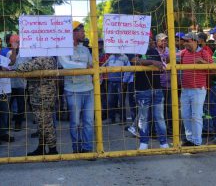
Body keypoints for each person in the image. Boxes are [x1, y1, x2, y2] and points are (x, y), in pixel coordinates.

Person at [58, 21, 94, 153]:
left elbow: (92, 64)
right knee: (75, 122)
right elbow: (66, 64)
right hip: (73, 91)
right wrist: (84, 66)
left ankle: (87, 148)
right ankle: (76, 148)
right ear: (72, 33)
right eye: (81, 31)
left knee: (89, 122)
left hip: (88, 89)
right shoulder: (63, 49)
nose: (84, 33)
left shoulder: (85, 49)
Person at [129, 41, 169, 150]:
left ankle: (163, 143)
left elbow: (160, 65)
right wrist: (152, 62)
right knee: (144, 118)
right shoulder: (133, 50)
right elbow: (134, 61)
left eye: (150, 39)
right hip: (142, 89)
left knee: (159, 117)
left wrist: (152, 63)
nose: (150, 41)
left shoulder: (153, 51)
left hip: (157, 88)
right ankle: (144, 142)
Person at [17, 56, 58, 155]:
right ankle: (41, 147)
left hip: (41, 97)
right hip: (46, 95)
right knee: (42, 123)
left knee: (46, 124)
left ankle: (53, 150)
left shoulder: (41, 58)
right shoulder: (51, 58)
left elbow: (21, 68)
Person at [180, 33, 213, 146]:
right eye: (184, 41)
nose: (185, 43)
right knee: (185, 115)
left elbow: (214, 68)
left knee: (196, 115)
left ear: (195, 41)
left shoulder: (203, 52)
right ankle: (190, 139)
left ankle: (197, 142)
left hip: (198, 90)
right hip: (185, 89)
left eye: (187, 41)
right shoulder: (183, 53)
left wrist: (203, 63)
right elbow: (172, 58)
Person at [7, 35, 30, 131]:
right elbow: (10, 64)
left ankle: (18, 123)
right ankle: (7, 123)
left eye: (17, 42)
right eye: (14, 42)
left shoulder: (26, 54)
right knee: (8, 105)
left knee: (21, 105)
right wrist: (14, 50)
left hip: (21, 83)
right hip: (10, 84)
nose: (16, 44)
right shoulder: (9, 53)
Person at [102, 53, 131, 124]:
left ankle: (122, 119)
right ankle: (111, 119)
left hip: (120, 82)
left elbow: (128, 70)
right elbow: (104, 66)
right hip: (111, 82)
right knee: (110, 101)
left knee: (121, 101)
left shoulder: (125, 57)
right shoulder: (111, 57)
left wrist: (124, 81)